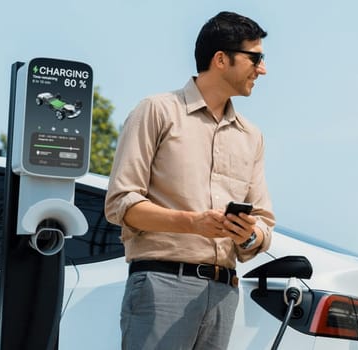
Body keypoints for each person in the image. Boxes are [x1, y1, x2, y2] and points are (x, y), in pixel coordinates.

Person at [104, 11, 274, 350]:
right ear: (221, 59)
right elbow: (121, 204)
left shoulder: (251, 136)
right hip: (162, 285)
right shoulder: (156, 111)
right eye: (255, 58)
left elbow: (264, 224)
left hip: (224, 293)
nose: (263, 69)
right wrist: (193, 223)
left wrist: (250, 234)